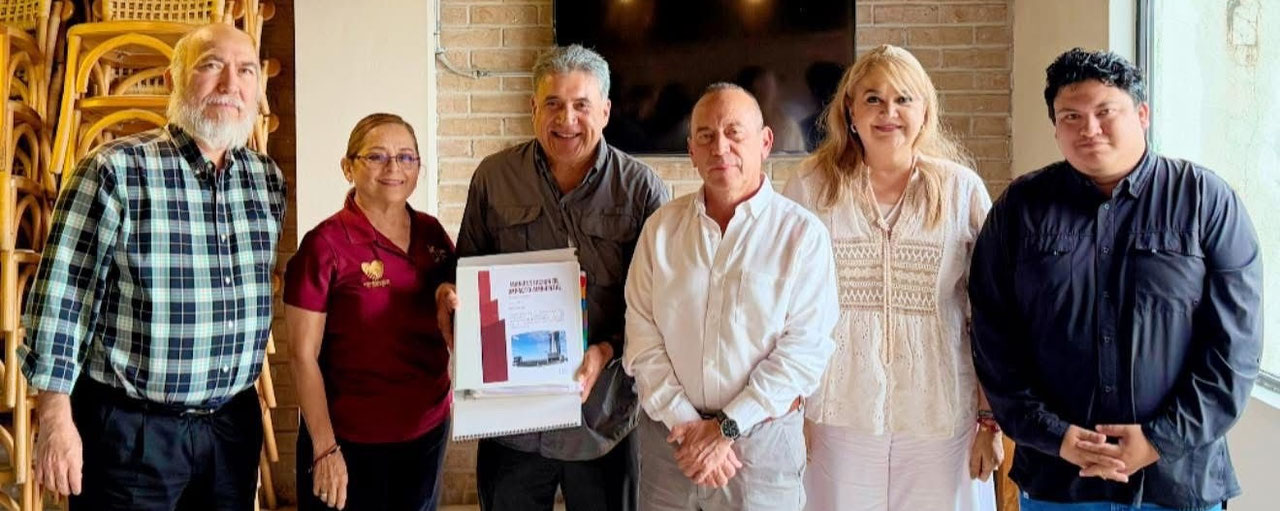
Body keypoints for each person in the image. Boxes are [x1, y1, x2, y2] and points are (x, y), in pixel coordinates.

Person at [969, 48, 1263, 511]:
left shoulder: (1206, 201)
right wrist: (1055, 435)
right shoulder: (1019, 209)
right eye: (1071, 116)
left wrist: (1158, 440)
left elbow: (1235, 351)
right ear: (1055, 127)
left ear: (1142, 115)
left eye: (1105, 112)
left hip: (1177, 481)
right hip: (1058, 480)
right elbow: (993, 339)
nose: (1089, 128)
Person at [20, 23, 285, 510]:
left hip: (231, 429)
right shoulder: (115, 169)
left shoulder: (265, 180)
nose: (231, 84)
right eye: (211, 66)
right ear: (172, 80)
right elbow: (63, 298)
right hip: (132, 433)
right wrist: (55, 419)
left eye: (246, 71)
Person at [450, 44, 669, 511]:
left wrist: (606, 350)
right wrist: (452, 303)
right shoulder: (494, 178)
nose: (566, 119)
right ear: (533, 108)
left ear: (605, 111)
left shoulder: (641, 189)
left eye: (581, 105)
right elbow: (467, 273)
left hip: (603, 418)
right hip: (512, 421)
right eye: (552, 103)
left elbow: (657, 304)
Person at [783, 44, 1001, 511]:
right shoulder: (809, 186)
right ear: (850, 110)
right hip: (835, 416)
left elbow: (990, 314)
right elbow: (785, 307)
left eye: (903, 99)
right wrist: (791, 410)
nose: (889, 112)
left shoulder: (961, 190)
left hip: (942, 418)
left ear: (925, 111)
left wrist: (990, 421)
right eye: (873, 99)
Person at [623, 83, 838, 510]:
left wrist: (725, 429)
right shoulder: (660, 230)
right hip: (672, 445)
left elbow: (804, 350)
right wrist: (689, 427)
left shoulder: (802, 235)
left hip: (761, 446)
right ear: (691, 151)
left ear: (766, 142)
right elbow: (642, 337)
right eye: (705, 136)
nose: (719, 147)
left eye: (734, 133)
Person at [285, 114, 455, 510]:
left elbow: (455, 306)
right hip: (348, 443)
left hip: (425, 432)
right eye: (376, 156)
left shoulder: (432, 234)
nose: (394, 167)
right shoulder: (324, 245)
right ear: (348, 167)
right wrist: (325, 448)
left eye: (406, 157)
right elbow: (301, 355)